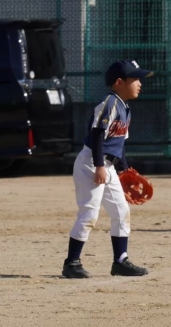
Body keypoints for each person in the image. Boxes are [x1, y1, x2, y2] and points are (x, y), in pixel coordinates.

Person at [62, 60, 153, 279]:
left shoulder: (125, 107)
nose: (140, 83)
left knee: (121, 211)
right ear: (119, 82)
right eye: (135, 79)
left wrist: (123, 170)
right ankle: (71, 263)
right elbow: (97, 135)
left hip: (107, 166)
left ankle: (120, 261)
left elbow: (119, 144)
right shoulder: (110, 103)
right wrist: (100, 166)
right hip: (91, 164)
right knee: (89, 213)